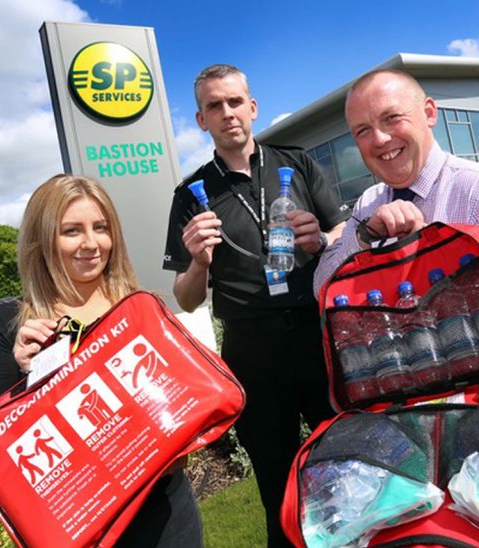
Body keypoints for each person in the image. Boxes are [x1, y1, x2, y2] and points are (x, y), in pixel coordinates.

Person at [163, 64, 349, 546]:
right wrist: (199, 261)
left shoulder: (297, 163)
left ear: (252, 106)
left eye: (234, 102)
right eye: (213, 106)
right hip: (252, 351)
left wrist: (320, 240)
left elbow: (340, 233)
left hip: (316, 335)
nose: (227, 114)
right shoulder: (191, 195)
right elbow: (186, 297)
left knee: (349, 457)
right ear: (201, 120)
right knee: (277, 482)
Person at [0, 174, 203, 547]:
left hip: (164, 513)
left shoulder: (140, 308)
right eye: (71, 231)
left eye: (101, 228)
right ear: (42, 240)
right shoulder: (10, 325)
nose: (91, 243)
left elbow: (179, 401)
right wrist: (24, 379)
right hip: (79, 522)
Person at [313, 69, 479, 328]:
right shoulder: (368, 203)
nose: (379, 138)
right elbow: (321, 287)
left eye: (391, 117)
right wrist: (363, 238)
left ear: (429, 113)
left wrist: (438, 252)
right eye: (363, 130)